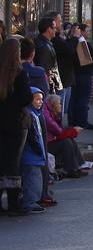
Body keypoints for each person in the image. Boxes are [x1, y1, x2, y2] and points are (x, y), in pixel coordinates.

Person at [1, 38, 32, 214]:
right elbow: (26, 98)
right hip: (14, 122)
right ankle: (13, 202)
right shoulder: (19, 73)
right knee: (13, 161)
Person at [43, 94, 87, 177]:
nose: (60, 106)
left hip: (52, 141)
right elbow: (59, 132)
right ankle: (71, 169)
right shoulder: (47, 116)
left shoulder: (53, 114)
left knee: (70, 140)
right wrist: (73, 131)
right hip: (47, 145)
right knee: (66, 142)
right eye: (59, 104)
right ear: (53, 105)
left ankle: (78, 166)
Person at [19, 87, 48, 214]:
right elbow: (33, 136)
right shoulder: (30, 115)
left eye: (41, 99)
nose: (40, 102)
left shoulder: (36, 115)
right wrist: (38, 150)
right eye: (37, 99)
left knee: (32, 180)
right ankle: (29, 202)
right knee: (33, 181)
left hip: (34, 155)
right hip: (31, 155)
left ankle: (29, 201)